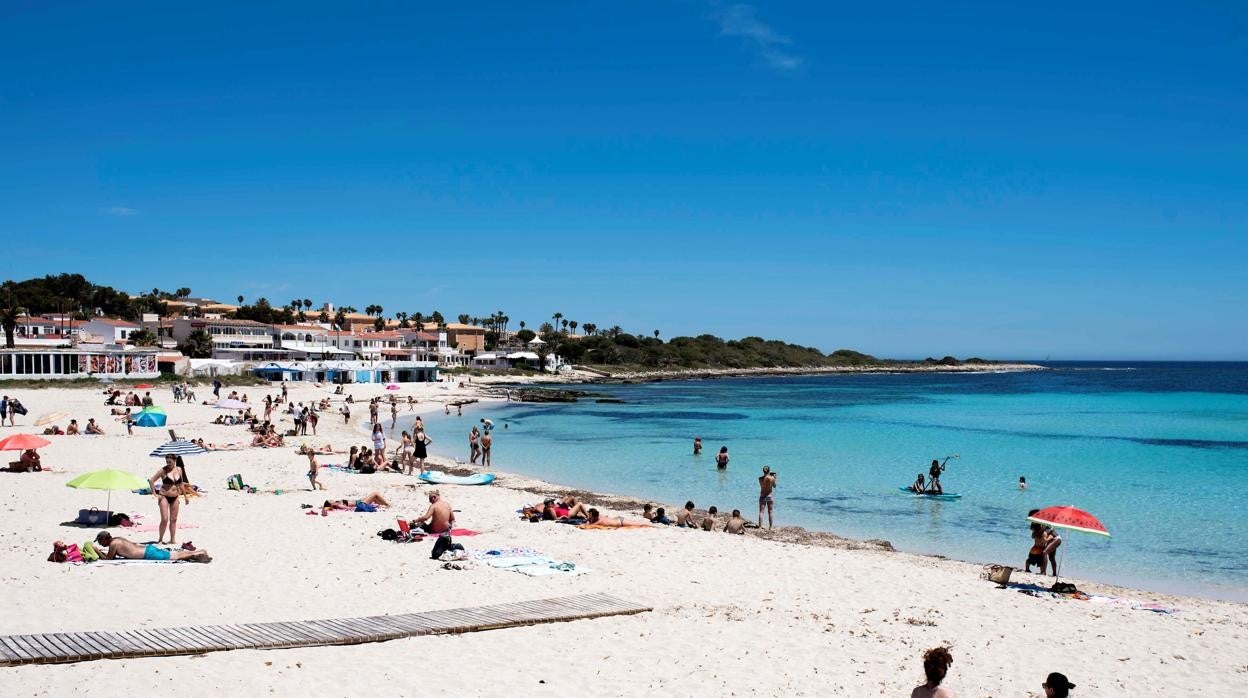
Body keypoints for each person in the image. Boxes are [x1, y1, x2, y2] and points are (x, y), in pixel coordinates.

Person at [148, 455, 189, 545]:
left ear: (174, 461)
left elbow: (181, 484)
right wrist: (155, 494)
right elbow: (151, 481)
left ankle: (172, 540)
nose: (168, 464)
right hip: (164, 496)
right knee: (165, 519)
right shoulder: (163, 470)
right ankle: (160, 539)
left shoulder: (179, 469)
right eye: (167, 462)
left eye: (170, 462)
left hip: (175, 497)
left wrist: (185, 497)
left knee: (174, 519)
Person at [95, 532, 211, 562]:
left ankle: (198, 553)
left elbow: (109, 559)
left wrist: (97, 552)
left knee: (174, 556)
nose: (100, 543)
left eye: (100, 541)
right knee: (173, 555)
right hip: (147, 549)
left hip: (147, 554)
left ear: (105, 539)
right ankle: (199, 552)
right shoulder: (118, 539)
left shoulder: (114, 544)